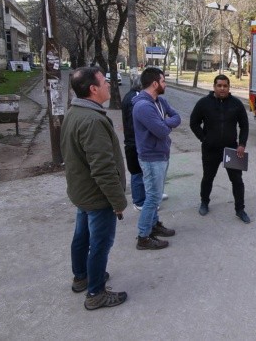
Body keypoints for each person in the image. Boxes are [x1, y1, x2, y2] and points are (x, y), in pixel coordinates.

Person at [61, 66, 127, 310]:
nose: (109, 85)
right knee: (100, 244)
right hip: (97, 196)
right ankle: (96, 293)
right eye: (104, 81)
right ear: (93, 89)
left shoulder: (75, 111)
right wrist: (118, 202)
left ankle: (82, 277)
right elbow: (103, 169)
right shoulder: (92, 121)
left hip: (82, 192)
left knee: (82, 237)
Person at [190, 74, 251, 223]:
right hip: (210, 149)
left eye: (225, 86)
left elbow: (244, 125)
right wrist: (204, 138)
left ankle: (240, 209)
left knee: (237, 180)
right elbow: (194, 123)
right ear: (214, 87)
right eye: (219, 85)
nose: (222, 88)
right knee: (208, 178)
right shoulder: (204, 103)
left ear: (229, 87)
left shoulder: (236, 104)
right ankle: (204, 202)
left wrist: (242, 144)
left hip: (231, 150)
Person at [132, 67, 181, 250]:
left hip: (161, 154)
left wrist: (164, 123)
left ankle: (154, 225)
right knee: (153, 197)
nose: (165, 84)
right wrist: (165, 125)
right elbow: (161, 131)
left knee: (155, 195)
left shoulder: (160, 101)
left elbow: (176, 118)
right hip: (151, 158)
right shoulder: (143, 106)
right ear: (155, 84)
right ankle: (143, 236)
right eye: (163, 81)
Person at [121, 77, 167, 211]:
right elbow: (139, 123)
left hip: (136, 141)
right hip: (134, 142)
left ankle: (153, 194)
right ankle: (139, 202)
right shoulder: (136, 100)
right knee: (138, 172)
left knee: (147, 173)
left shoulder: (133, 97)